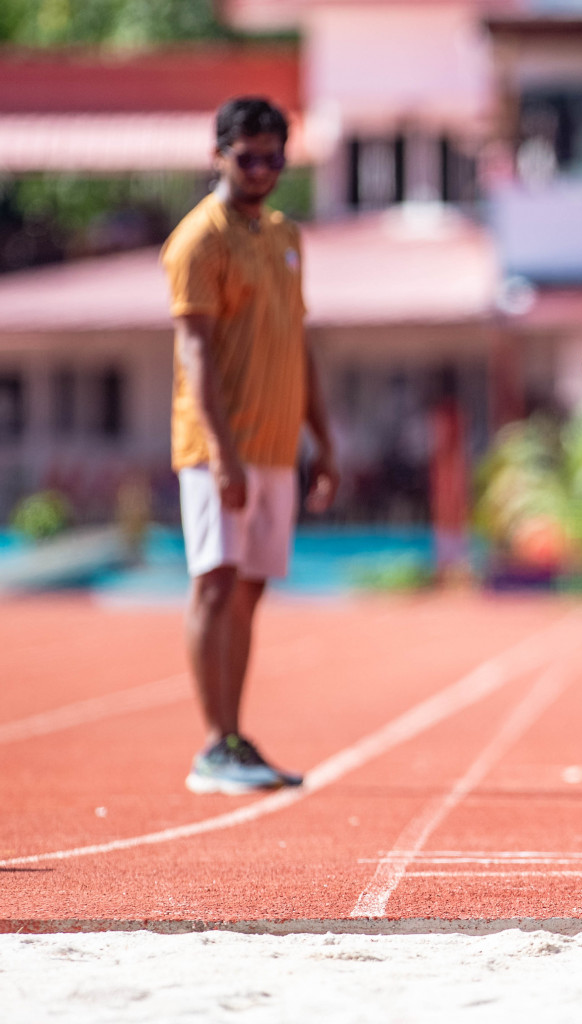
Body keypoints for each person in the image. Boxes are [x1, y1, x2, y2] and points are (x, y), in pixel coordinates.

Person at [161, 97, 337, 794]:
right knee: (215, 582)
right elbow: (196, 356)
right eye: (248, 157)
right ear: (218, 155)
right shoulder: (197, 241)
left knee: (249, 589)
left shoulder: (285, 235)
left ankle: (235, 736)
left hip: (275, 447)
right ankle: (214, 744)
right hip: (218, 451)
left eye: (274, 157)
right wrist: (222, 454)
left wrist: (323, 440)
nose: (262, 170)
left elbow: (298, 344)